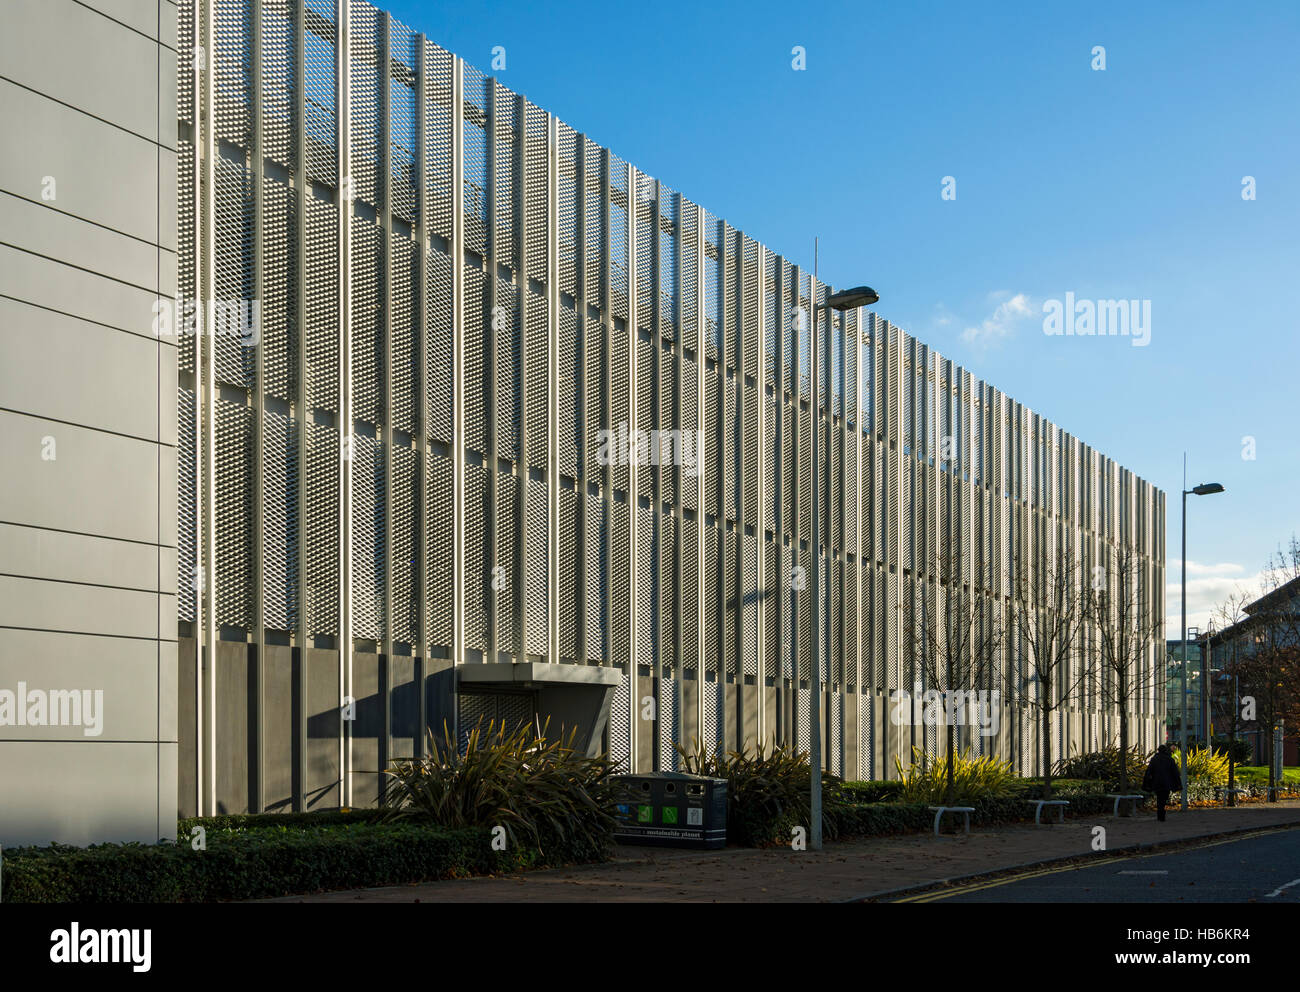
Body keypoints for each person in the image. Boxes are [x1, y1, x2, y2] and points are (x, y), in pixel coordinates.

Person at [1143, 744, 1183, 822]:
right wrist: (1178, 784)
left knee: (1159, 798)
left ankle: (1160, 813)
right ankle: (1162, 813)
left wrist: (1146, 783)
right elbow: (1175, 773)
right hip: (1166, 783)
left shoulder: (1154, 759)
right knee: (1163, 798)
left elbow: (1149, 771)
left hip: (1157, 782)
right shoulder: (1170, 759)